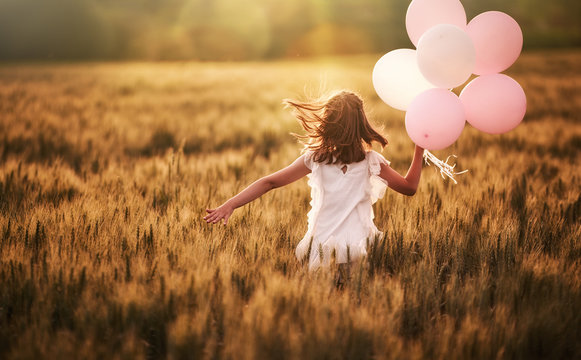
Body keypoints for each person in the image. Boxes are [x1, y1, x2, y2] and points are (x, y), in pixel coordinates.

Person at [204, 90, 424, 274]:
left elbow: (269, 182)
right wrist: (420, 148)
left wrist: (231, 204)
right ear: (361, 123)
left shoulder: (316, 159)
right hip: (359, 248)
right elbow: (410, 188)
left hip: (321, 250)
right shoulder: (371, 161)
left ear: (328, 123)